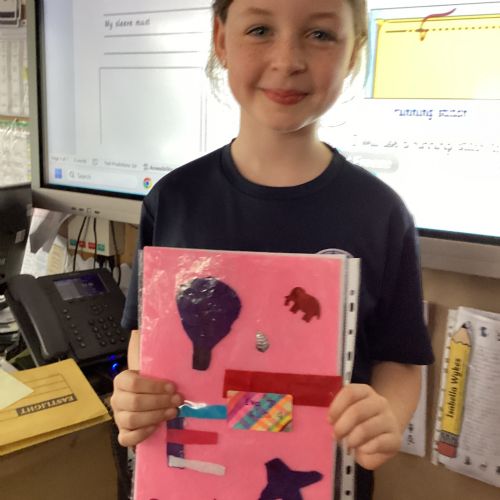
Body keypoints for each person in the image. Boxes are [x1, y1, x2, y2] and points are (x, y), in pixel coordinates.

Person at [110, 0, 434, 498]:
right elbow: (148, 337)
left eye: (320, 34)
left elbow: (401, 360)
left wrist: (385, 413)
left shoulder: (380, 212)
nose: (287, 61)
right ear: (221, 40)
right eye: (260, 29)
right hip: (192, 477)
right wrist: (136, 392)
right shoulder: (174, 199)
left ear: (353, 53)